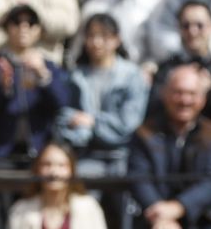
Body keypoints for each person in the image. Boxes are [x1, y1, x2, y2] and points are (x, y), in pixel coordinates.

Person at [128, 63, 211, 229]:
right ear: (165, 94)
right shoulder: (144, 133)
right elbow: (139, 178)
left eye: (191, 94)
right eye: (178, 92)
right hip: (154, 218)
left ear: (202, 99)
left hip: (204, 218)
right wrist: (161, 216)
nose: (185, 100)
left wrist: (178, 208)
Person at [0, 3, 74, 167]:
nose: (23, 28)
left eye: (30, 23)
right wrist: (3, 88)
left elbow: (62, 104)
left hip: (40, 150)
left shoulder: (48, 66)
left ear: (39, 30)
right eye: (16, 22)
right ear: (7, 28)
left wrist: (43, 75)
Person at [2, 140, 113, 229]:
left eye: (61, 165)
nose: (54, 172)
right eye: (47, 165)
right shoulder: (20, 210)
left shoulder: (89, 207)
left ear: (71, 170)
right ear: (37, 169)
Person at [55, 12, 148, 179]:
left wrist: (93, 122)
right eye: (91, 36)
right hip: (86, 154)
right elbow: (65, 116)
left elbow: (129, 124)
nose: (96, 43)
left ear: (117, 40)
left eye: (104, 36)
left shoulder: (132, 76)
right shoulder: (76, 77)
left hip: (124, 155)